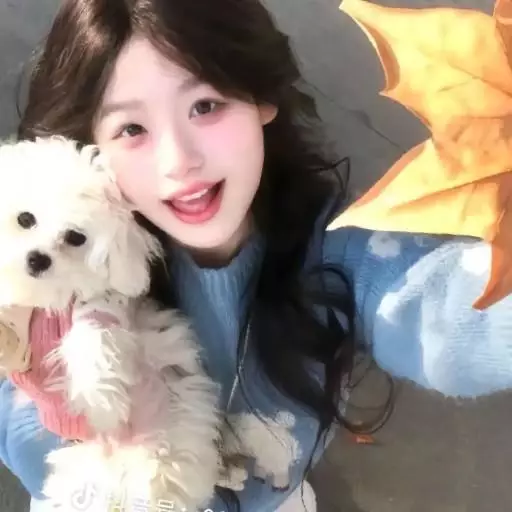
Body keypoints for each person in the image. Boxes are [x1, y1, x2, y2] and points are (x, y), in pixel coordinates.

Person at [2, 0, 512, 510]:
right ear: (87, 144)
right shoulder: (59, 264)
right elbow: (20, 425)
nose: (179, 161)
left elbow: (445, 315)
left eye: (205, 106)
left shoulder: (342, 248)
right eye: (132, 129)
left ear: (261, 97)